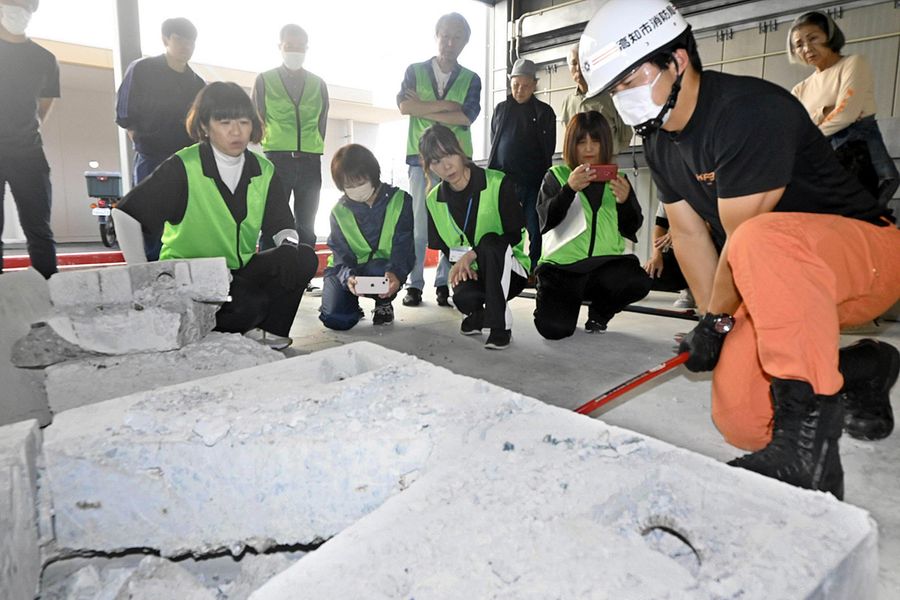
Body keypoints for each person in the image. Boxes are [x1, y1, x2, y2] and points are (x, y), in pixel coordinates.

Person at [580, 0, 900, 499]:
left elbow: (744, 234)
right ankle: (864, 366)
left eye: (628, 80)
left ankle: (807, 453)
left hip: (869, 257)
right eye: (612, 90)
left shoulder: (749, 111)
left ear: (677, 60)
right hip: (783, 279)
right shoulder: (661, 143)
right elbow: (687, 236)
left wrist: (719, 323)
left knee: (757, 237)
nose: (621, 99)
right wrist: (714, 321)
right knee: (743, 421)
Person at [113, 82, 318, 350]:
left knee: (303, 257)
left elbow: (281, 224)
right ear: (204, 127)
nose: (236, 131)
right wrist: (141, 277)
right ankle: (212, 322)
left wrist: (289, 246)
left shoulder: (263, 170)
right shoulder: (184, 166)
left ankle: (268, 331)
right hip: (191, 277)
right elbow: (125, 214)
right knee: (250, 305)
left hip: (237, 270)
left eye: (244, 122)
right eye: (224, 122)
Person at [533, 111, 649, 339]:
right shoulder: (556, 176)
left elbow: (632, 227)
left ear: (605, 143)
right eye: (581, 141)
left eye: (595, 141)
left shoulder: (619, 180)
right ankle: (556, 300)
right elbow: (545, 221)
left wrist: (625, 202)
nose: (589, 149)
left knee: (639, 280)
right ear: (571, 145)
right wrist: (568, 190)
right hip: (561, 269)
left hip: (603, 267)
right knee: (554, 330)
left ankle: (599, 314)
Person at [397, 12, 482, 308]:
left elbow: (466, 116)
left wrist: (423, 108)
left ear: (465, 42)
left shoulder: (472, 79)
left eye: (457, 37)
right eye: (445, 35)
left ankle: (446, 282)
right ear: (436, 36)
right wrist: (445, 106)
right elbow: (405, 106)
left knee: (453, 224)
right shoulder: (415, 70)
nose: (449, 42)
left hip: (457, 162)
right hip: (420, 160)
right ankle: (415, 284)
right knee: (419, 225)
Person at [421, 124, 528, 350]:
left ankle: (500, 326)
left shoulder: (498, 182)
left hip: (509, 267)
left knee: (489, 242)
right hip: (471, 268)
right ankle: (478, 313)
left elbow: (513, 234)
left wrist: (473, 254)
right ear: (429, 166)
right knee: (464, 299)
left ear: (459, 149)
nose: (446, 165)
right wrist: (459, 264)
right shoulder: (433, 200)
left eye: (448, 154)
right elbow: (444, 245)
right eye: (436, 161)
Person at [788, 11, 899, 209]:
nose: (807, 48)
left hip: (857, 154)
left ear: (830, 36)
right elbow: (794, 129)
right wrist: (823, 111)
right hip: (820, 160)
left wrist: (809, 134)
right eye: (798, 45)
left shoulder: (853, 63)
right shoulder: (800, 89)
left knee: (853, 223)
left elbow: (846, 114)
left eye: (813, 38)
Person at [116, 17, 205, 261]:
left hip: (186, 162)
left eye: (191, 41)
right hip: (151, 157)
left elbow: (201, 127)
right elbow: (125, 114)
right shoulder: (142, 70)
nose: (186, 45)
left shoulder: (197, 83)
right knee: (150, 217)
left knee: (183, 217)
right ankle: (152, 269)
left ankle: (178, 267)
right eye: (180, 39)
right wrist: (143, 142)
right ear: (166, 39)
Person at [320, 144, 414, 330]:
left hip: (381, 268)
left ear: (373, 175)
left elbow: (404, 246)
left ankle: (383, 303)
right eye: (349, 185)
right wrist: (348, 278)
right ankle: (349, 305)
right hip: (345, 271)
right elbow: (340, 255)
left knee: (382, 273)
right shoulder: (339, 211)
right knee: (336, 319)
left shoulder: (400, 201)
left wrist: (396, 273)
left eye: (360, 182)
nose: (356, 189)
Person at [252, 24, 329, 249]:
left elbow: (321, 121)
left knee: (307, 226)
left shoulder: (318, 83)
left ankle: (302, 278)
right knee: (272, 222)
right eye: (289, 46)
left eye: (299, 47)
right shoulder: (265, 80)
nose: (294, 51)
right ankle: (269, 277)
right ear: (280, 46)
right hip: (277, 160)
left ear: (307, 48)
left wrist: (312, 146)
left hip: (310, 161)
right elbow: (257, 117)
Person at [0, 0, 58, 279]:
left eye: (25, 7)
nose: (17, 12)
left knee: (39, 229)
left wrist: (25, 130)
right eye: (11, 5)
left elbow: (43, 106)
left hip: (29, 153)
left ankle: (47, 296)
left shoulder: (44, 59)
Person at [487, 58, 555, 273]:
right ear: (510, 83)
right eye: (516, 85)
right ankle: (507, 266)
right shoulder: (501, 109)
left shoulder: (544, 112)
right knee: (506, 226)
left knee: (535, 226)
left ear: (534, 85)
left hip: (534, 181)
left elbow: (549, 147)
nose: (520, 90)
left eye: (525, 86)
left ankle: (535, 268)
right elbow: (494, 140)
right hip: (505, 180)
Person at [560, 43, 631, 154]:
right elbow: (568, 138)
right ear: (569, 68)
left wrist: (608, 154)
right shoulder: (568, 102)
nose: (578, 68)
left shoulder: (611, 96)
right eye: (574, 63)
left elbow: (625, 136)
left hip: (608, 162)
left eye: (583, 63)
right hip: (580, 166)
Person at [643, 203, 695, 309]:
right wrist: (657, 256)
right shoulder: (668, 192)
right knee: (644, 277)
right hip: (678, 255)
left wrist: (679, 232)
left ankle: (697, 290)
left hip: (709, 252)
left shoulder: (708, 189)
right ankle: (688, 286)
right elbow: (660, 225)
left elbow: (713, 225)